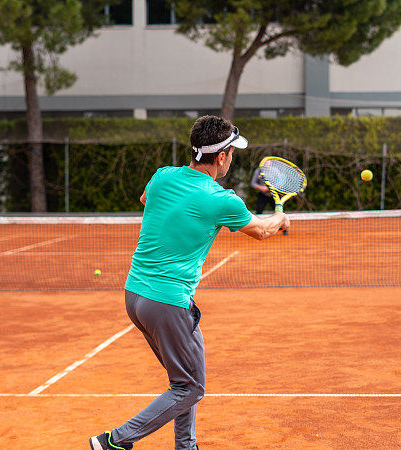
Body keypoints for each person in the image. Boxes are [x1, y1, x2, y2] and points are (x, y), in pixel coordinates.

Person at [89, 115, 290, 450]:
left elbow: (145, 201)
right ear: (222, 157)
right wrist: (280, 216)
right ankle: (115, 441)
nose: (232, 159)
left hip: (135, 295)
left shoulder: (162, 176)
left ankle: (186, 446)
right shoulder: (221, 199)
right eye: (232, 153)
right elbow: (262, 231)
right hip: (168, 303)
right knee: (191, 387)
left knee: (181, 381)